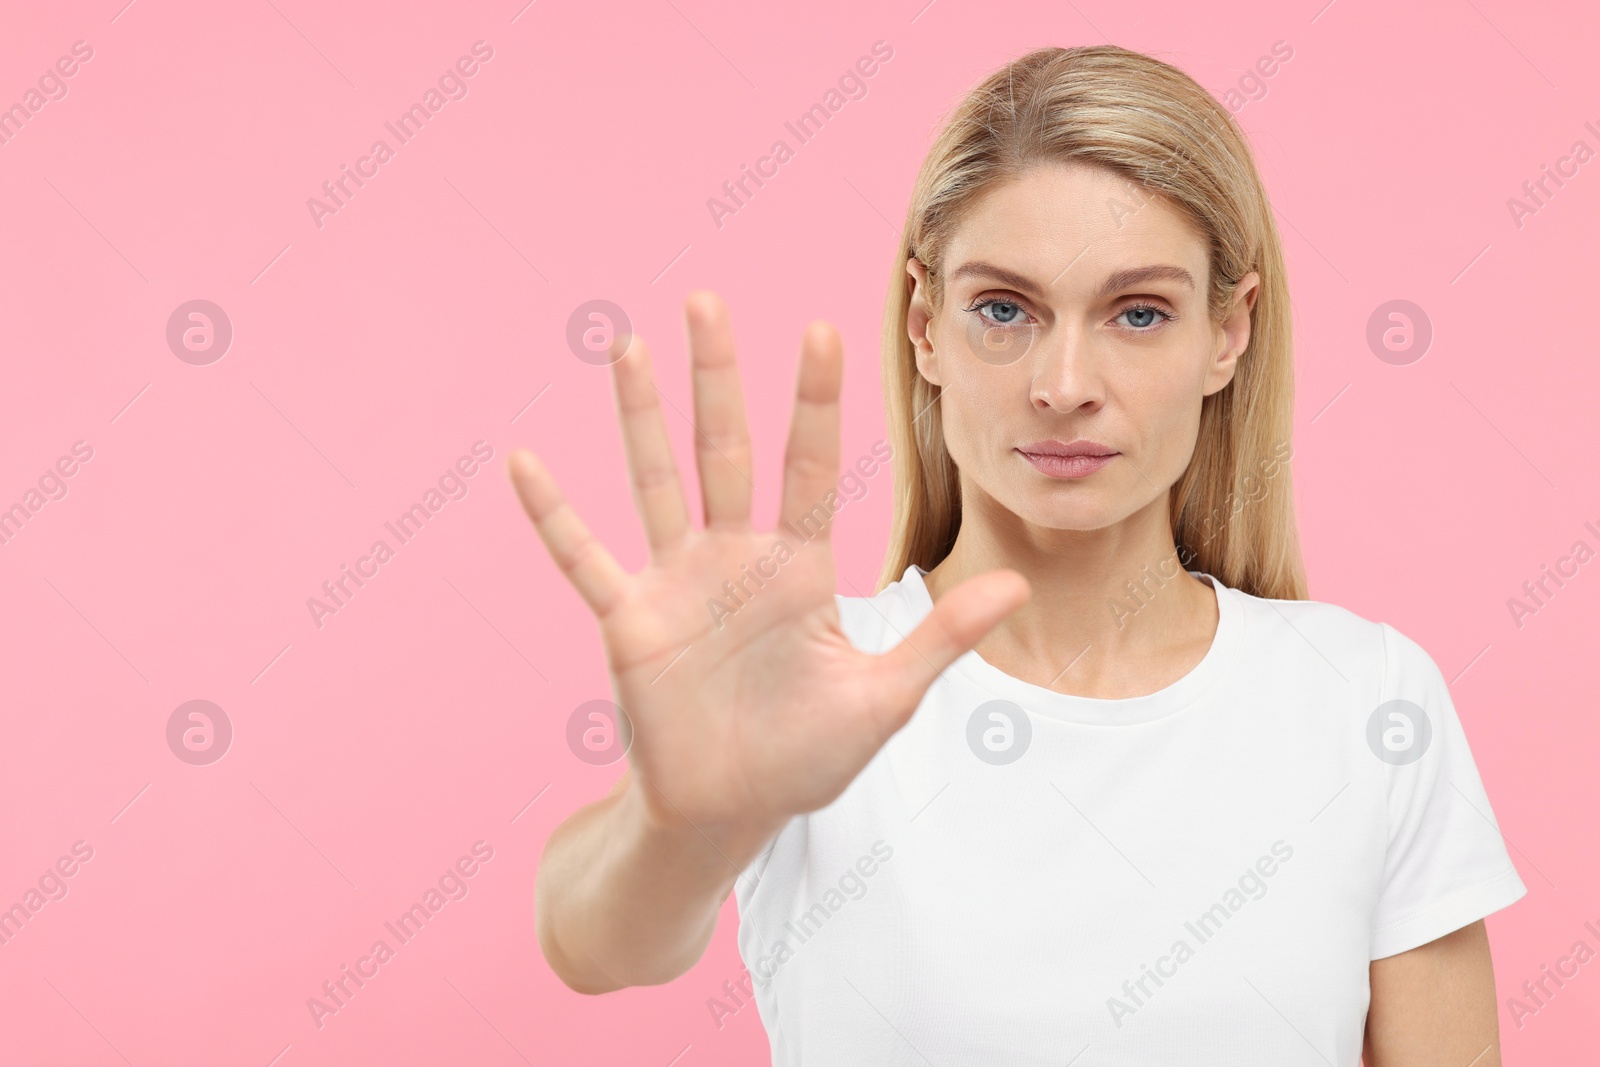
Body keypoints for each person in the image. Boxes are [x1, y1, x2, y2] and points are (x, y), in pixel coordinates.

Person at [508, 44, 1525, 1066]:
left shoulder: (1364, 697)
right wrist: (680, 821)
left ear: (1227, 331)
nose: (1064, 381)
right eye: (1004, 308)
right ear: (925, 325)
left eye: (1138, 312)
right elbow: (592, 938)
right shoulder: (815, 683)